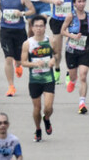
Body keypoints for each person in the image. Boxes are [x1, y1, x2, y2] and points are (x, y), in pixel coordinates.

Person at [61, 0, 89, 114]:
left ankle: (82, 103)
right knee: (74, 76)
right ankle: (72, 80)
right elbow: (62, 31)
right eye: (79, 1)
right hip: (72, 50)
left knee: (83, 75)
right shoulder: (70, 16)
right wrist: (72, 36)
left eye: (83, 1)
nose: (81, 4)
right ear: (74, 3)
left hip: (86, 49)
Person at [0, 0, 35, 97]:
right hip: (5, 30)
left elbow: (32, 10)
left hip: (19, 31)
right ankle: (11, 86)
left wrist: (22, 14)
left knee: (18, 59)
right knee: (8, 57)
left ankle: (18, 64)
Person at [20, 14, 56, 142]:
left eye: (41, 26)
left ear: (45, 27)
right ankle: (38, 129)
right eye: (36, 26)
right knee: (37, 109)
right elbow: (23, 62)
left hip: (48, 79)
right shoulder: (28, 43)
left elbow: (57, 55)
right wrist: (35, 64)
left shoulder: (50, 40)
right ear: (32, 27)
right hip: (35, 80)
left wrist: (53, 60)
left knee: (48, 107)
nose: (39, 28)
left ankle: (46, 119)